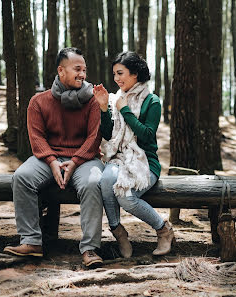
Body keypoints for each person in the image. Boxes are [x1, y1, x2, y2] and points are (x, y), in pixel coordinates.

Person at [3, 48, 104, 268]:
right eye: (77, 69)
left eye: (84, 70)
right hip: (47, 157)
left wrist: (75, 161)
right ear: (61, 71)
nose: (83, 74)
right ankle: (31, 241)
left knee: (93, 183)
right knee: (21, 176)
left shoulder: (93, 101)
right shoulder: (39, 101)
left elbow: (94, 137)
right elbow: (36, 137)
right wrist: (52, 162)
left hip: (85, 159)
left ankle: (90, 249)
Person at [93, 51, 174, 258]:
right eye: (114, 74)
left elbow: (146, 136)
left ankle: (163, 229)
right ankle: (119, 234)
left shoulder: (152, 101)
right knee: (106, 180)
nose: (116, 79)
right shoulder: (115, 99)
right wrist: (104, 109)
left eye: (120, 73)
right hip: (119, 158)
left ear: (135, 73)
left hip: (145, 161)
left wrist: (125, 110)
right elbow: (109, 135)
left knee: (126, 197)